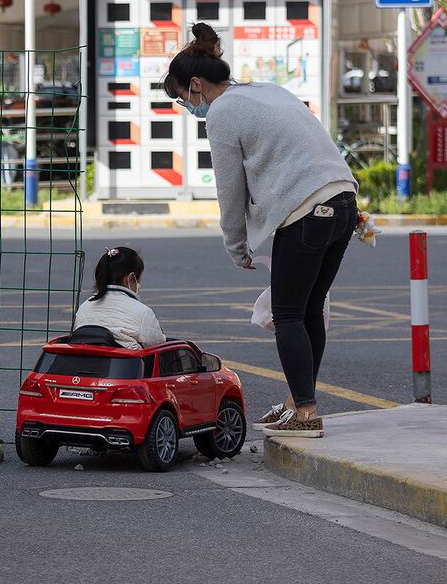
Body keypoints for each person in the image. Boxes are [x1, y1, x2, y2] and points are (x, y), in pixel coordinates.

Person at [164, 23, 358, 438]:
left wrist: (237, 247)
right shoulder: (268, 90)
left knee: (288, 314)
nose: (190, 108)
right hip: (344, 201)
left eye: (184, 99)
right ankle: (296, 402)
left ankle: (305, 411)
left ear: (196, 84)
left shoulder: (221, 113)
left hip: (306, 210)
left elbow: (229, 189)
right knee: (307, 310)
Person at [73, 247, 167, 349]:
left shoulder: (84, 308)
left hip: (84, 363)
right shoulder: (142, 312)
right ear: (131, 278)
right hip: (125, 364)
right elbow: (159, 344)